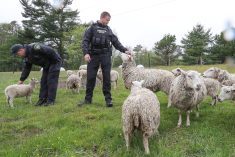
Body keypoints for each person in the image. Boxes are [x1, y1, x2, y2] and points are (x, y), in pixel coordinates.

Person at [79, 11, 130, 107]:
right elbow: (85, 41)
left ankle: (108, 100)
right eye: (107, 20)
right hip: (93, 55)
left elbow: (115, 42)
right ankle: (87, 99)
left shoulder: (108, 30)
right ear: (102, 17)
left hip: (105, 56)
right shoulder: (92, 28)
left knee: (106, 78)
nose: (108, 22)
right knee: (91, 78)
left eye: (109, 20)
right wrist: (86, 53)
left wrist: (124, 50)